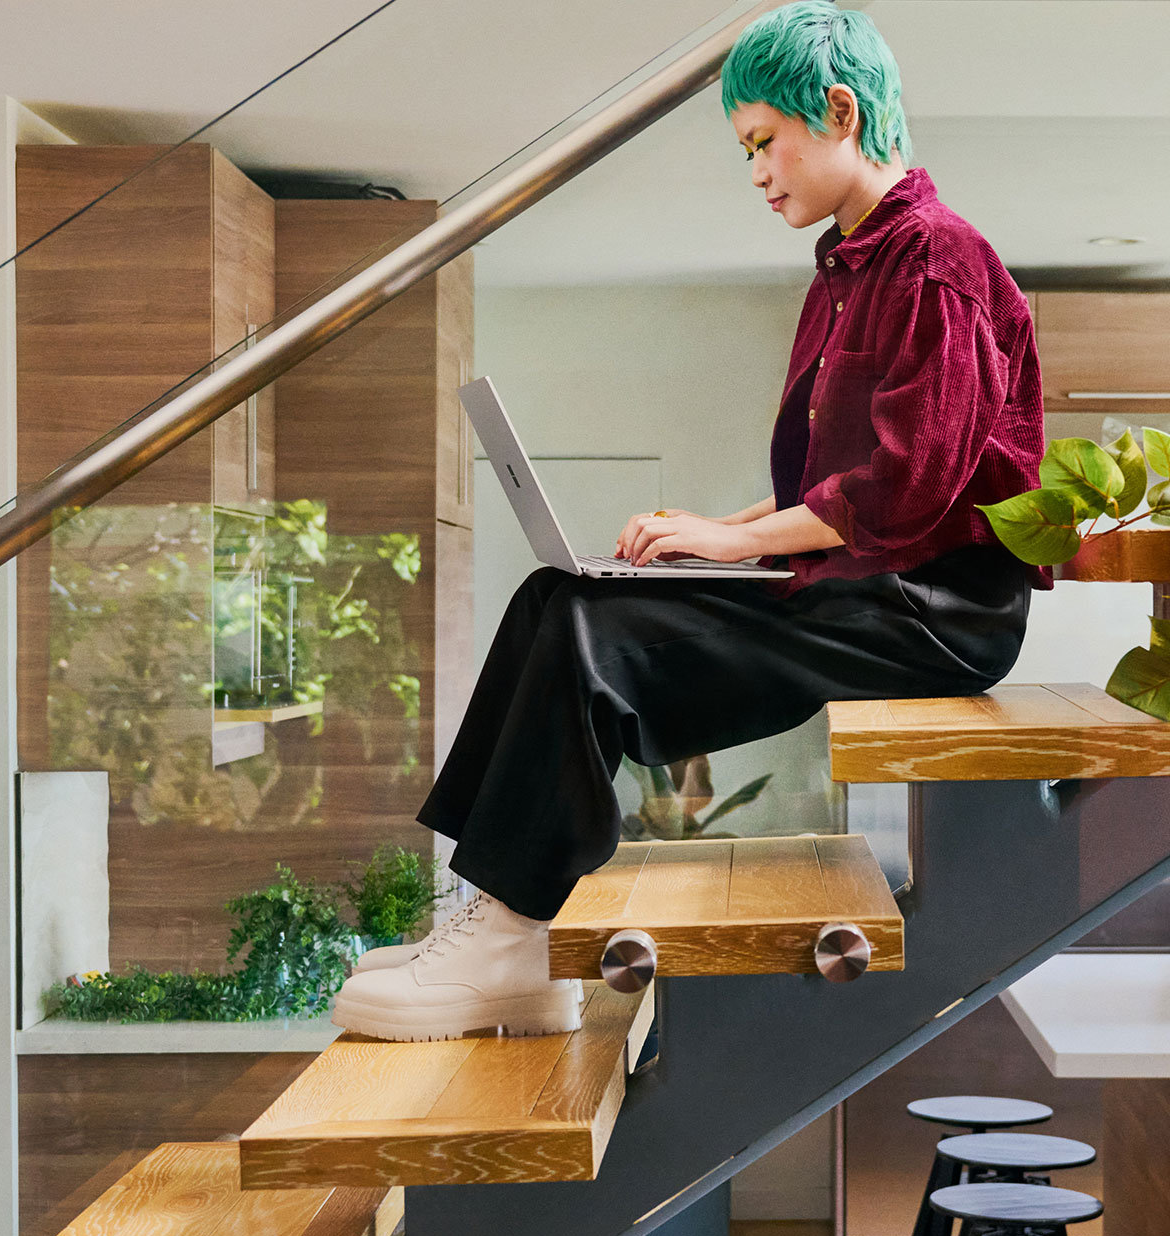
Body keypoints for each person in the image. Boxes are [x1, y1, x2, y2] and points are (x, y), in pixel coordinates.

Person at [328, 0, 1049, 1043]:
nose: (757, 171)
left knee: (594, 640)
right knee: (559, 596)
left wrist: (737, 544)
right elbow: (841, 476)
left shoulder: (935, 261)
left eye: (765, 142)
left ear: (838, 112)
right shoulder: (850, 264)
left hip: (932, 610)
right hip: (873, 577)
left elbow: (907, 489)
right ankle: (494, 918)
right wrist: (714, 527)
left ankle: (512, 940)